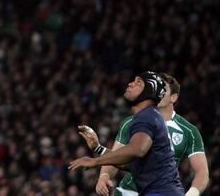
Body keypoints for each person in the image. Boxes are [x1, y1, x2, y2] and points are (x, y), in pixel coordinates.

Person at [77, 73, 209, 196]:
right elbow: (118, 155)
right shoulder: (131, 121)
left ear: (173, 97)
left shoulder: (189, 131)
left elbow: (202, 173)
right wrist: (104, 175)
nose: (159, 91)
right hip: (129, 191)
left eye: (163, 89)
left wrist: (191, 194)